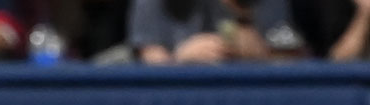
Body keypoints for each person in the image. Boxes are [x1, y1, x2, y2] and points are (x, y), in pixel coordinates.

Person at [129, 0, 305, 62]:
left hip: (247, 103)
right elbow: (150, 58)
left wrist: (262, 54)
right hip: (183, 104)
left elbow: (296, 58)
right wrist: (180, 58)